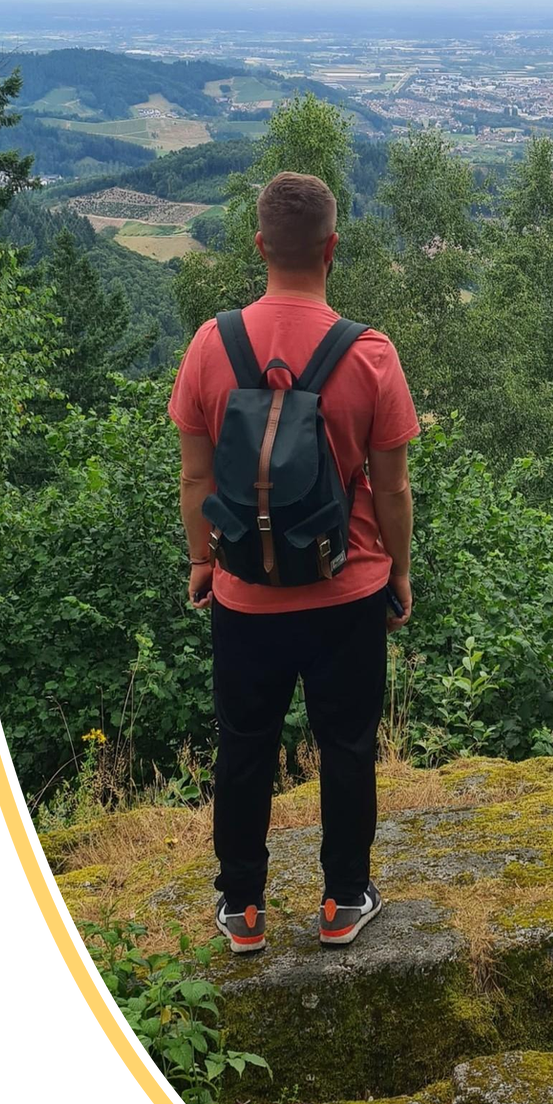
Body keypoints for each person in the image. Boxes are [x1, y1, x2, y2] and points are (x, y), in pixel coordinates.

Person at [168, 171, 419, 954]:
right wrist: (399, 572)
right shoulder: (369, 353)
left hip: (245, 592)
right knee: (346, 745)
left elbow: (196, 479)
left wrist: (203, 561)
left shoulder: (211, 345)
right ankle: (343, 901)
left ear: (259, 246)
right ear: (332, 248)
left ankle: (243, 908)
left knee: (245, 745)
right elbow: (393, 485)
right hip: (348, 588)